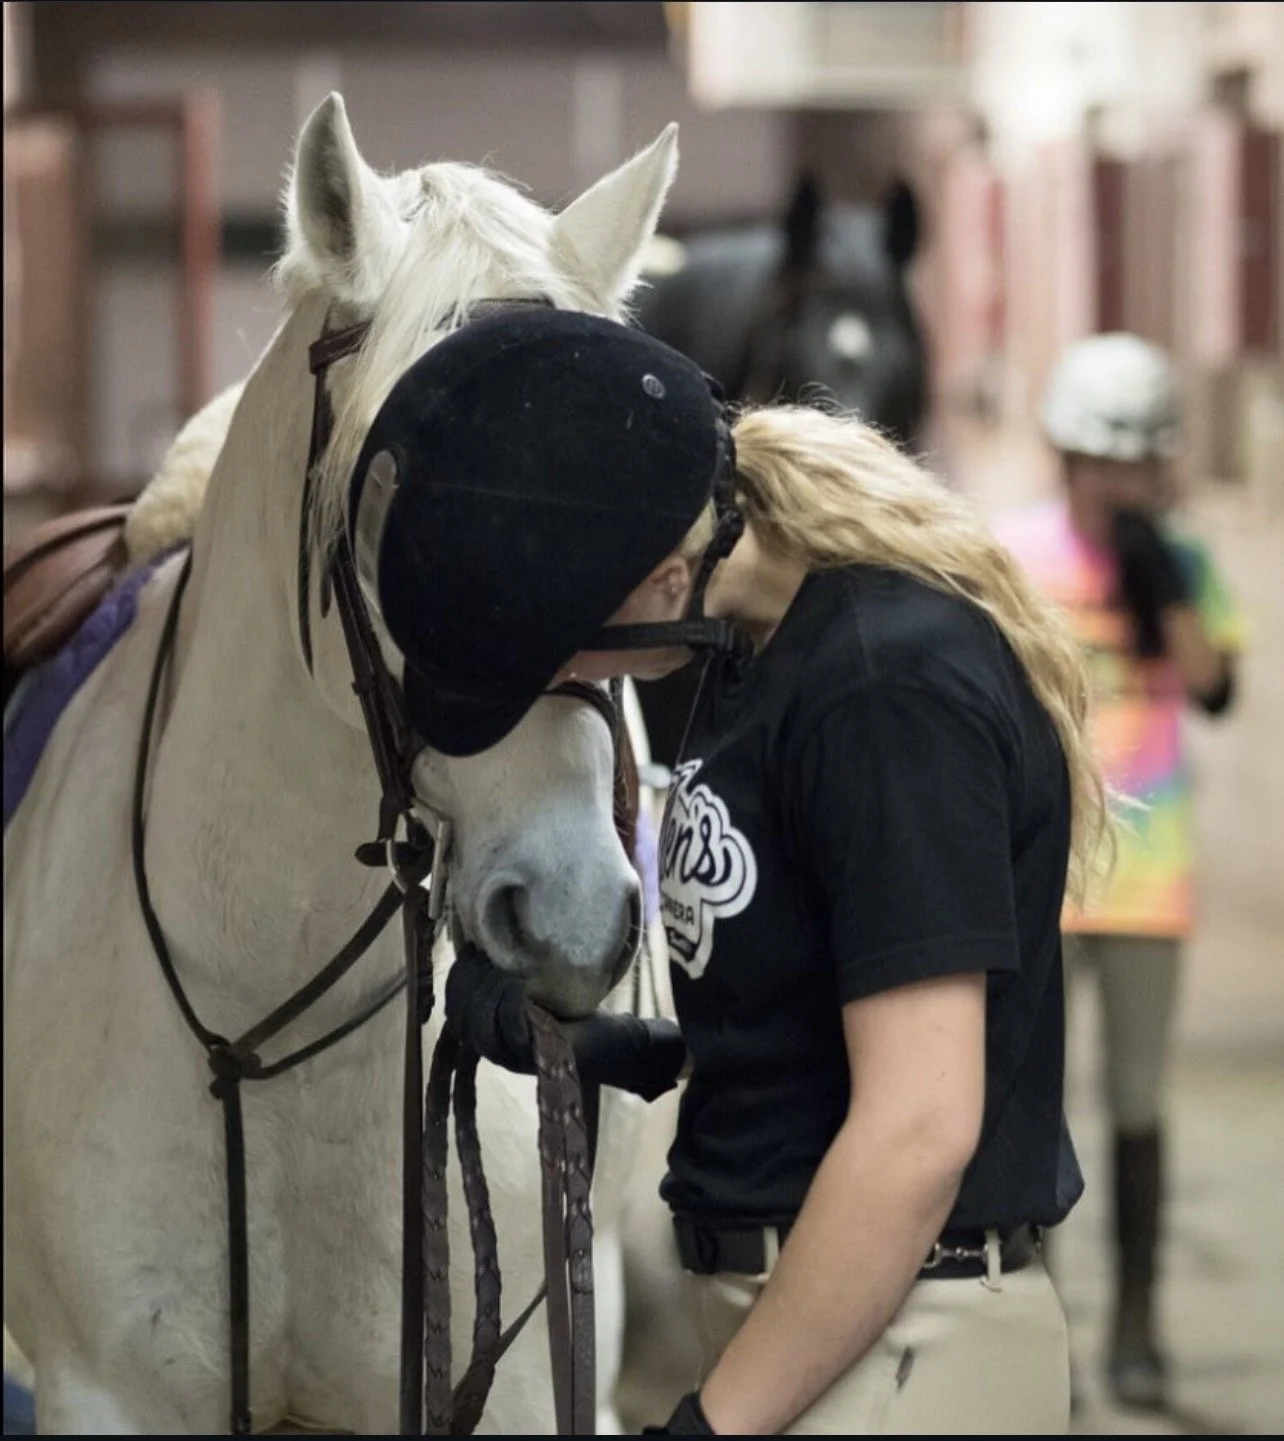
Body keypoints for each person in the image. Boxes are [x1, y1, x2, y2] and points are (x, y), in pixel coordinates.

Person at [356, 305, 1107, 1434]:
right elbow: (818, 991)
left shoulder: (881, 686)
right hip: (813, 1323)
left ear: (660, 570)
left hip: (905, 1344)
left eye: (563, 637)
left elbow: (920, 1126)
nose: (565, 668)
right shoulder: (760, 656)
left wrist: (719, 1423)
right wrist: (595, 1047)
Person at [991, 333, 1245, 1409]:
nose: (1121, 481)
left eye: (1139, 462)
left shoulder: (1180, 561)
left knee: (1137, 1102)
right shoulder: (1014, 552)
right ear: (1064, 454)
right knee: (1024, 1102)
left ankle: (1138, 1325)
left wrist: (1161, 575)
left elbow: (1212, 684)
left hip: (1147, 881)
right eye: (1103, 459)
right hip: (1042, 873)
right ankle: (1033, 1322)